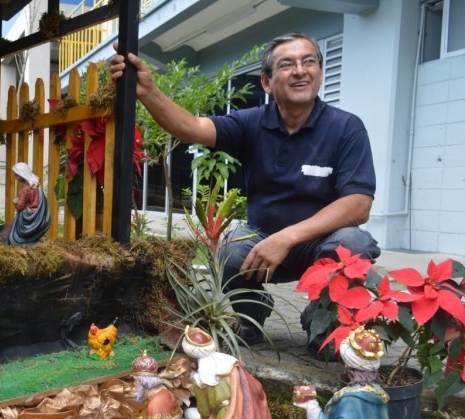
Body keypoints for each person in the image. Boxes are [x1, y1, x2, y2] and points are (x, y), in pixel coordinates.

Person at [109, 33, 381, 351]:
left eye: (309, 61)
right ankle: (251, 314)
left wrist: (288, 237)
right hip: (262, 247)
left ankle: (324, 321)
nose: (300, 70)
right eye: (287, 64)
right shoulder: (251, 123)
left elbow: (359, 205)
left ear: (320, 72)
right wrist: (147, 90)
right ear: (266, 82)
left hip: (320, 248)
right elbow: (192, 128)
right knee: (226, 249)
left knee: (354, 244)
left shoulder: (346, 128)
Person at [7, 162, 51, 246]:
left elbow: (20, 206)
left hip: (29, 216)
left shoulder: (26, 189)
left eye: (16, 175)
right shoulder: (36, 185)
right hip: (37, 214)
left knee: (13, 237)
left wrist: (15, 201)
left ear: (22, 174)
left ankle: (19, 241)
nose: (16, 178)